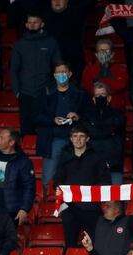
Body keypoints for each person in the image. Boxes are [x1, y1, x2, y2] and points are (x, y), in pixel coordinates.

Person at [35, 62, 91, 194]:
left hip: (76, 140)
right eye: (58, 73)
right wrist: (52, 120)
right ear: (54, 75)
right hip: (54, 139)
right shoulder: (46, 92)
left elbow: (90, 115)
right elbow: (35, 116)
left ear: (70, 74)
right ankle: (48, 202)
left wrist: (78, 117)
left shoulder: (80, 93)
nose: (61, 75)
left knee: (79, 175)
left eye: (64, 72)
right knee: (48, 177)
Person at [55, 123, 112, 247]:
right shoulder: (64, 157)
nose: (78, 139)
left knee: (94, 245)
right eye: (75, 136)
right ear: (71, 139)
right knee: (70, 244)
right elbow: (58, 180)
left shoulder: (97, 158)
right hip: (70, 208)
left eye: (81, 136)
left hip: (91, 208)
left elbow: (105, 181)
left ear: (87, 139)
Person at [10, 12, 62, 135]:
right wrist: (17, 92)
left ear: (42, 24)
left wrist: (53, 89)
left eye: (36, 22)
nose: (32, 25)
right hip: (25, 93)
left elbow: (59, 67)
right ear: (26, 25)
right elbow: (13, 69)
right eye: (30, 23)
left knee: (46, 127)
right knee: (26, 129)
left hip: (45, 92)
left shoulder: (51, 42)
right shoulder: (20, 44)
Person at [41, 0, 96, 83]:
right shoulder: (44, 12)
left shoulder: (76, 12)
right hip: (49, 63)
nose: (57, 1)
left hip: (74, 62)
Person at [83, 82, 126, 184]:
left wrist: (95, 127)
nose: (100, 97)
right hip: (92, 165)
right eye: (97, 95)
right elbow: (89, 131)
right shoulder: (87, 115)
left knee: (114, 198)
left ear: (109, 98)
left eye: (103, 95)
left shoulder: (118, 114)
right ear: (93, 99)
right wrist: (108, 130)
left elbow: (115, 126)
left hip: (113, 165)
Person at [81, 40, 128, 112]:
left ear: (112, 54)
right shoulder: (89, 68)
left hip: (115, 107)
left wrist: (99, 82)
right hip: (94, 107)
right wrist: (110, 83)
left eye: (107, 50)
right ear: (96, 54)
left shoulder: (120, 68)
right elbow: (87, 86)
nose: (104, 53)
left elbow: (121, 85)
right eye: (101, 50)